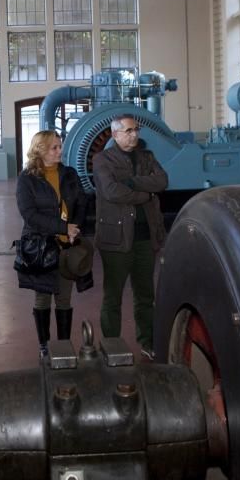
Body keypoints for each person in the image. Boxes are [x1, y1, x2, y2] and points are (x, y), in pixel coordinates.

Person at [92, 115, 167, 361]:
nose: (134, 135)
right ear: (115, 135)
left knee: (145, 296)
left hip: (146, 239)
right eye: (128, 131)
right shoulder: (102, 159)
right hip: (117, 240)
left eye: (136, 130)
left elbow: (162, 181)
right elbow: (111, 191)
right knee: (112, 296)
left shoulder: (148, 157)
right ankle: (112, 346)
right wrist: (144, 196)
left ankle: (147, 342)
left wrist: (132, 182)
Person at [16, 130, 91, 358]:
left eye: (60, 146)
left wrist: (74, 227)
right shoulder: (27, 178)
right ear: (40, 150)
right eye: (54, 147)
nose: (60, 151)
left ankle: (64, 345)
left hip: (67, 247)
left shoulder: (69, 173)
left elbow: (81, 202)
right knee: (42, 297)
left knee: (64, 297)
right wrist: (62, 228)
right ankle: (44, 345)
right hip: (41, 247)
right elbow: (29, 214)